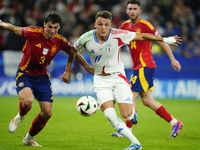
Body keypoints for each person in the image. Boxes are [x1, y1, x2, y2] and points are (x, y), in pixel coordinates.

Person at [62, 10, 181, 150]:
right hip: (100, 80)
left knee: (127, 114)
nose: (103, 27)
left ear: (110, 24)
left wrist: (164, 39)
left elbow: (142, 36)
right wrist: (71, 69)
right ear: (95, 24)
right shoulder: (86, 38)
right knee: (110, 115)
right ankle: (135, 143)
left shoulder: (117, 35)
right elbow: (72, 51)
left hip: (117, 77)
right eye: (100, 24)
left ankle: (132, 115)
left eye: (106, 24)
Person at [0, 12, 94, 147]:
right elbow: (14, 28)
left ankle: (29, 138)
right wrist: (1, 23)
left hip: (42, 77)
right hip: (24, 73)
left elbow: (73, 51)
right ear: (44, 24)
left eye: (56, 28)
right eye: (50, 27)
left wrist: (86, 66)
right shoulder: (32, 32)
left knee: (47, 113)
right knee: (27, 101)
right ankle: (20, 116)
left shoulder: (60, 41)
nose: (52, 31)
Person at [111, 0, 183, 139]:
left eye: (135, 9)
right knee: (147, 100)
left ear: (140, 11)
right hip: (138, 66)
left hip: (145, 65)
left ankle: (128, 131)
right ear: (126, 11)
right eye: (130, 9)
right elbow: (118, 43)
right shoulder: (124, 25)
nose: (132, 11)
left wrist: (172, 59)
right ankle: (174, 122)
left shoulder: (146, 25)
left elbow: (161, 41)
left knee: (130, 96)